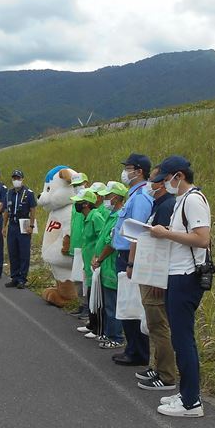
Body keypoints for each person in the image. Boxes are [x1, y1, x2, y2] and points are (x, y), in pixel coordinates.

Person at [149, 155, 212, 418]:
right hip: (178, 274)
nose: (164, 184)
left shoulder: (194, 200)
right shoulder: (182, 201)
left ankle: (190, 402)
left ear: (179, 176)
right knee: (179, 336)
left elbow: (202, 239)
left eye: (165, 179)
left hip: (187, 276)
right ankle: (187, 392)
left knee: (184, 339)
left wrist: (166, 233)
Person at [128, 167, 178, 391]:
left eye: (155, 180)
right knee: (152, 322)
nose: (151, 184)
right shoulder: (158, 205)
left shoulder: (167, 206)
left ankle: (166, 375)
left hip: (155, 274)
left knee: (158, 325)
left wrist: (159, 278)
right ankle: (157, 366)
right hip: (147, 270)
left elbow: (164, 244)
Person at [109, 153, 153, 366]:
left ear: (139, 171)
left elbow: (138, 231)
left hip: (130, 255)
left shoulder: (142, 196)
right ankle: (131, 347)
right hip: (124, 254)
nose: (125, 172)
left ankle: (138, 351)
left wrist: (132, 262)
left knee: (132, 304)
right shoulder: (134, 194)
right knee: (126, 302)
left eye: (128, 168)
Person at [90, 180, 128, 349]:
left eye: (107, 197)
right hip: (104, 267)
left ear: (115, 198)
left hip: (111, 266)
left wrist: (99, 258)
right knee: (107, 304)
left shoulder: (119, 216)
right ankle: (108, 332)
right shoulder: (111, 215)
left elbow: (111, 242)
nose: (105, 200)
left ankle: (116, 337)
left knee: (112, 305)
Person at [72, 187, 108, 338]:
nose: (77, 205)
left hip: (95, 262)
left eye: (79, 202)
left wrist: (97, 256)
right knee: (90, 293)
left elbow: (102, 238)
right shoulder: (87, 218)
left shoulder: (95, 217)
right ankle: (92, 324)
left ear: (86, 204)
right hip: (88, 262)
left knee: (97, 295)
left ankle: (99, 328)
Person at [3, 169, 37, 289]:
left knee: (24, 253)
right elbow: (6, 211)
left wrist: (31, 226)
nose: (16, 180)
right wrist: (4, 226)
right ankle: (14, 277)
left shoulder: (28, 193)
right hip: (12, 225)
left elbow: (33, 209)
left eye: (18, 178)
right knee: (13, 252)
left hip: (23, 224)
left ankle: (22, 278)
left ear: (22, 179)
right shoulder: (9, 193)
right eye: (14, 178)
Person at [64, 172, 88, 318]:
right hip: (75, 246)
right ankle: (81, 304)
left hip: (86, 247)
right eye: (74, 186)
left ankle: (87, 306)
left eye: (79, 184)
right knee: (77, 278)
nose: (77, 188)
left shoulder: (90, 203)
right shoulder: (75, 203)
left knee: (85, 279)